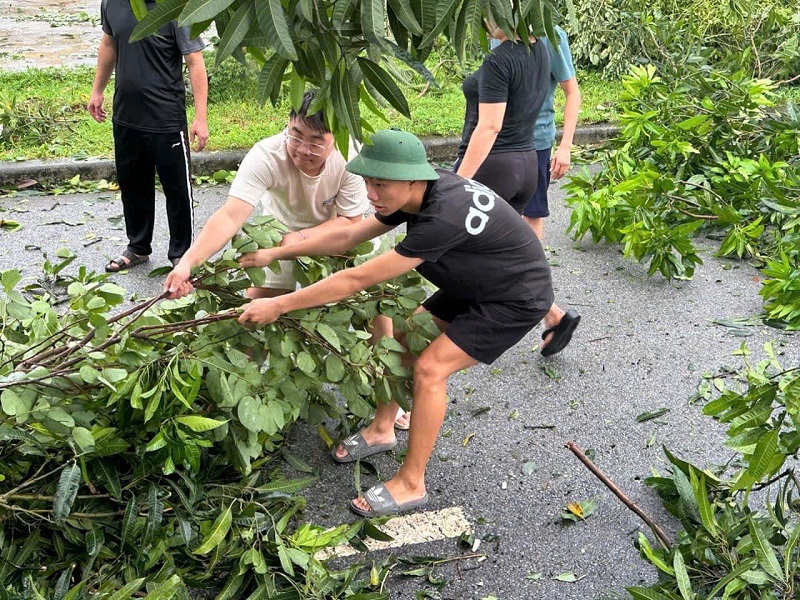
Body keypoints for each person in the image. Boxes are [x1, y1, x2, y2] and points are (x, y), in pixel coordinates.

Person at [199, 129, 555, 517]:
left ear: (412, 179)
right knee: (400, 338)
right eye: (368, 181)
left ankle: (411, 482)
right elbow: (351, 234)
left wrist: (281, 305)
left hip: (513, 297)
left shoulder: (441, 216)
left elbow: (357, 279)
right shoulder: (417, 190)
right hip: (479, 277)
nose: (371, 193)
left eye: (380, 184)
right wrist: (277, 252)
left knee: (430, 369)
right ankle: (383, 428)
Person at [454, 23, 580, 363]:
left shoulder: (547, 35)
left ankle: (536, 307)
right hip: (500, 148)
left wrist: (565, 146)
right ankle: (550, 312)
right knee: (498, 237)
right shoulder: (502, 36)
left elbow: (572, 91)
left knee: (520, 232)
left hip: (530, 145)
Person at [164, 91, 368, 299]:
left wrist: (300, 238)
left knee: (371, 299)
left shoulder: (351, 157)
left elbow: (351, 220)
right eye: (296, 137)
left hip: (334, 234)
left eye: (315, 143)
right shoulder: (266, 156)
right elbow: (230, 216)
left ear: (336, 138)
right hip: (279, 234)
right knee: (254, 308)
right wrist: (188, 263)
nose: (303, 150)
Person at [88, 0, 209, 273]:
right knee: (132, 185)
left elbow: (194, 61)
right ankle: (138, 247)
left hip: (166, 117)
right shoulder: (112, 3)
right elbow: (109, 45)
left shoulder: (176, 7)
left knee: (177, 190)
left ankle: (182, 254)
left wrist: (200, 118)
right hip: (126, 115)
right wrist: (97, 90)